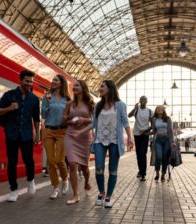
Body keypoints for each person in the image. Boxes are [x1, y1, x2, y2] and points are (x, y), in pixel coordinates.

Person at [76, 80, 133, 209]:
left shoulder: (120, 105)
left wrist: (130, 137)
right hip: (100, 140)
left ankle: (108, 197)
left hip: (115, 140)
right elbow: (93, 123)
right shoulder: (98, 106)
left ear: (110, 88)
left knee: (113, 170)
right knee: (99, 168)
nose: (99, 88)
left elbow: (125, 121)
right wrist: (81, 131)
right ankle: (101, 192)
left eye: (102, 86)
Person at [0, 70, 40, 202]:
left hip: (26, 134)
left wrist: (37, 134)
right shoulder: (9, 95)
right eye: (27, 81)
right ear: (20, 81)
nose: (29, 84)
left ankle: (31, 180)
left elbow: (36, 118)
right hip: (12, 133)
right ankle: (14, 190)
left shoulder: (34, 99)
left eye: (31, 81)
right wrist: (9, 108)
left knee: (28, 160)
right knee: (12, 162)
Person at [62, 80, 95, 205]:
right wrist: (68, 120)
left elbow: (94, 121)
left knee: (84, 167)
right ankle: (75, 194)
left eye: (77, 85)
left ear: (83, 88)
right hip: (71, 135)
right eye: (73, 85)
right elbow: (63, 121)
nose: (74, 87)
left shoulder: (90, 104)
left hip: (85, 137)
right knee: (72, 164)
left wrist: (83, 119)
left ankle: (87, 182)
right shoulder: (69, 104)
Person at [41, 74, 71, 199]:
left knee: (59, 160)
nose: (53, 82)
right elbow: (43, 114)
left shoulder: (67, 99)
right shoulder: (47, 97)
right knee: (51, 161)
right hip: (48, 130)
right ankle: (55, 187)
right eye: (52, 80)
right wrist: (47, 103)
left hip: (62, 131)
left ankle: (65, 179)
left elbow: (70, 117)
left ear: (61, 83)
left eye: (56, 80)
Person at [128, 96, 153, 181]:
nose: (143, 101)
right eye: (141, 99)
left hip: (145, 135)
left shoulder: (150, 111)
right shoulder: (137, 109)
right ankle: (140, 170)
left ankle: (143, 173)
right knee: (138, 154)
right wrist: (134, 108)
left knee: (143, 153)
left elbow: (152, 125)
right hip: (136, 134)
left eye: (144, 99)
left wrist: (145, 131)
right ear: (139, 101)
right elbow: (129, 115)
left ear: (147, 101)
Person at [152, 105, 173, 182]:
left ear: (163, 110)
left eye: (161, 108)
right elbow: (154, 131)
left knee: (165, 158)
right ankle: (157, 173)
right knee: (158, 157)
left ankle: (163, 175)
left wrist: (172, 141)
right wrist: (144, 132)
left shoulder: (167, 119)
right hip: (158, 139)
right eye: (158, 108)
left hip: (167, 140)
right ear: (156, 110)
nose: (159, 109)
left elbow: (170, 131)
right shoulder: (154, 119)